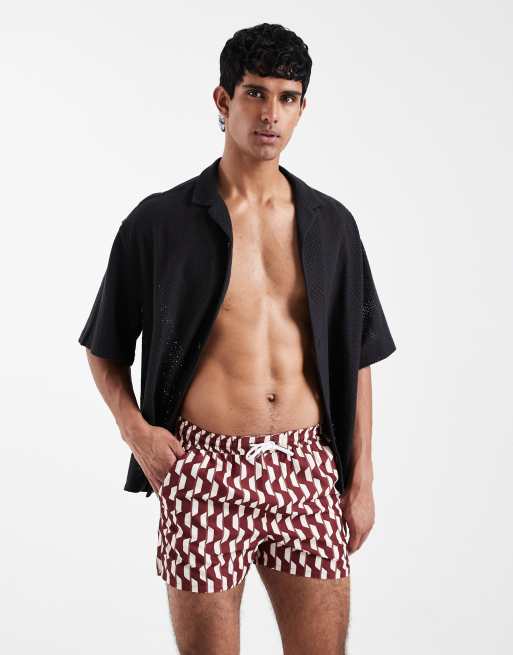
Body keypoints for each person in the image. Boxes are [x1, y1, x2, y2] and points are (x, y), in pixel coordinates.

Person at [78, 22, 396, 655]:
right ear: (223, 100)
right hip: (204, 469)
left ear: (302, 107)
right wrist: (138, 434)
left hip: (306, 469)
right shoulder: (159, 222)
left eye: (287, 97)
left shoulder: (332, 225)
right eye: (255, 93)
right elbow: (104, 346)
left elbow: (357, 357)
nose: (271, 113)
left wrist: (361, 481)